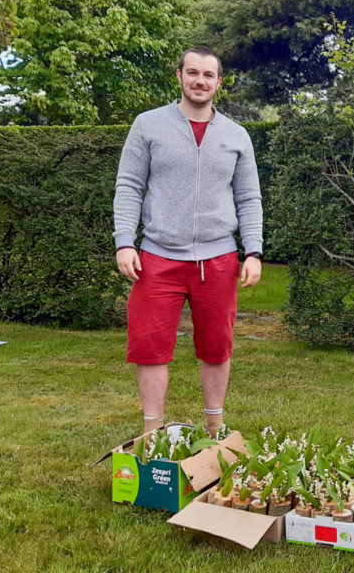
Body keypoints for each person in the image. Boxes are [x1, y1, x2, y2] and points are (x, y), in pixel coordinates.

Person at [112, 45, 263, 438]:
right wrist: (124, 241)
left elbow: (249, 198)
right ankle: (152, 432)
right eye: (192, 73)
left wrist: (254, 251)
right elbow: (129, 185)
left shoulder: (236, 135)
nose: (200, 81)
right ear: (179, 76)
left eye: (208, 75)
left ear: (219, 83)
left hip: (218, 258)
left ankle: (215, 427)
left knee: (217, 347)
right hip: (157, 257)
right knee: (150, 348)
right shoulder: (148, 125)